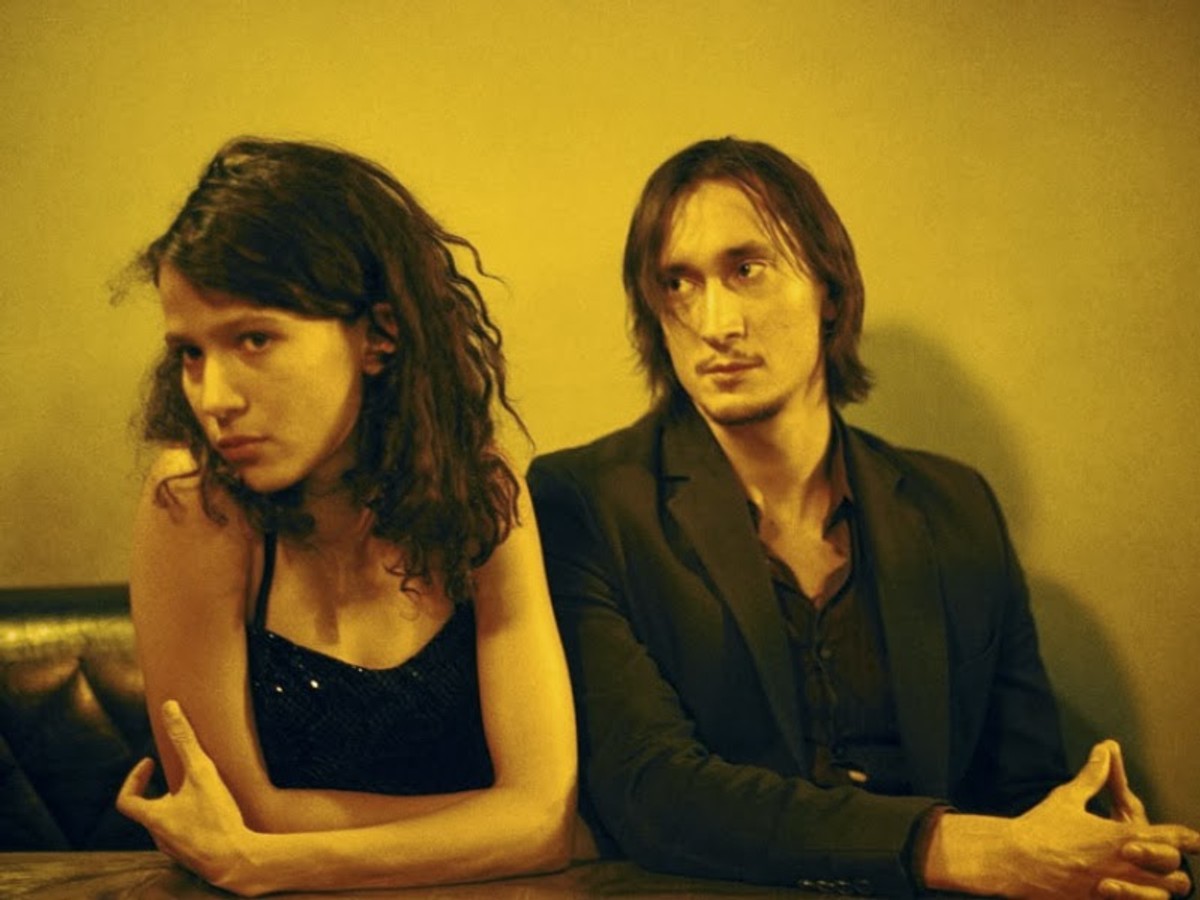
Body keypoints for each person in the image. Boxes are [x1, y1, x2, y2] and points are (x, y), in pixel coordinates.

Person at [527, 137, 1198, 898]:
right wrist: (947, 846)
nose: (714, 323)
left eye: (746, 270)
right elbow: (652, 791)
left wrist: (1100, 854)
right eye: (677, 283)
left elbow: (1020, 789)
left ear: (830, 291)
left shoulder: (955, 508)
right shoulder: (586, 499)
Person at [115, 137, 576, 896]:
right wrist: (496, 826)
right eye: (191, 354)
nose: (215, 397)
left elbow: (541, 820)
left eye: (254, 338)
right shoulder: (195, 501)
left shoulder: (480, 488)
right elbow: (237, 814)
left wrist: (274, 860)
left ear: (379, 335)